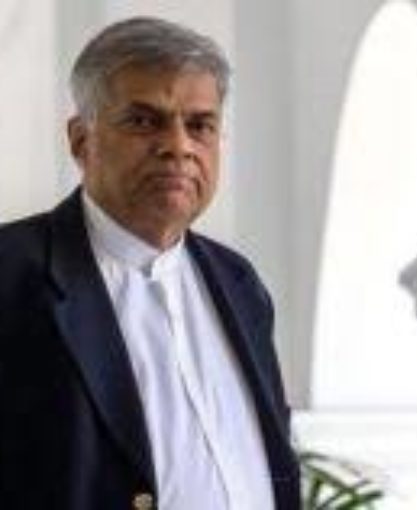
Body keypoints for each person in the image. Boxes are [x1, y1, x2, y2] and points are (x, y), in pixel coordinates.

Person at [0, 17, 300, 510]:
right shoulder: (12, 276)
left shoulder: (239, 282)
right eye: (144, 122)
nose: (178, 146)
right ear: (80, 140)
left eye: (200, 125)